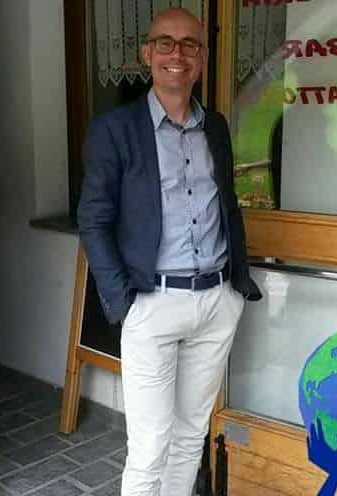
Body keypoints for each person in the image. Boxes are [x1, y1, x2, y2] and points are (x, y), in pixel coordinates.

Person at [77, 7, 261, 496]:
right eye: (165, 42)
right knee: (150, 448)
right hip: (152, 302)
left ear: (202, 57)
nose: (177, 54)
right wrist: (124, 302)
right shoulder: (115, 130)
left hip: (216, 301)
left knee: (189, 438)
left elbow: (227, 204)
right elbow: (93, 219)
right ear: (147, 53)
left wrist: (235, 290)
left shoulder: (215, 126)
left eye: (189, 44)